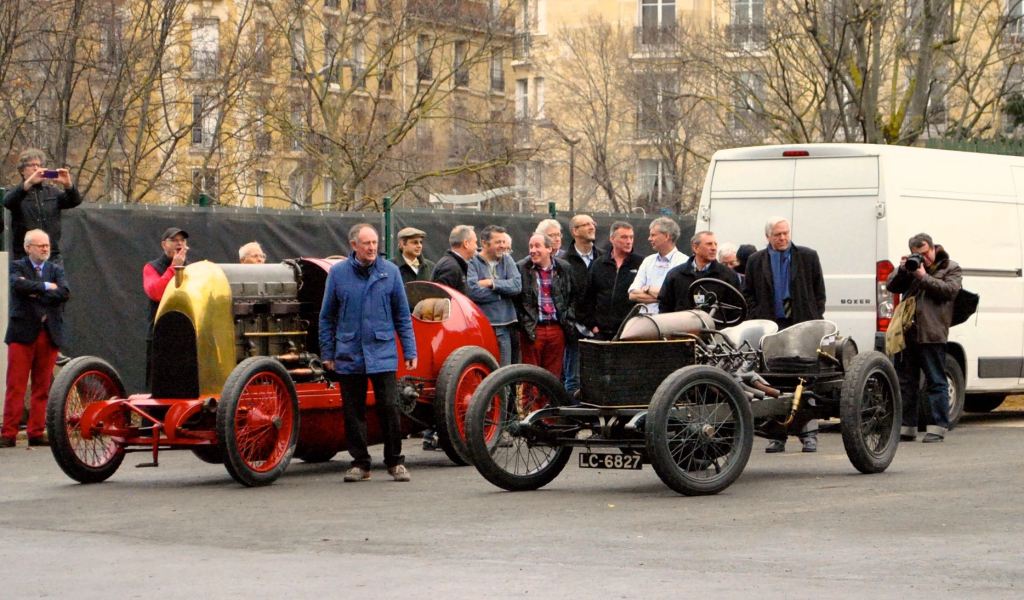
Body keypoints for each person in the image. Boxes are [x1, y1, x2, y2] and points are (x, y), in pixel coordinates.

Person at [319, 223, 417, 482]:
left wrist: (410, 349)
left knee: (389, 407)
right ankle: (360, 464)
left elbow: (402, 315)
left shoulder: (390, 272)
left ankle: (395, 462)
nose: (372, 248)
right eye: (366, 243)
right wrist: (328, 353)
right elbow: (327, 317)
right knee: (353, 411)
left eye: (375, 242)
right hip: (349, 351)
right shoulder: (338, 273)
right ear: (354, 245)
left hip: (382, 351)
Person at [743, 217, 826, 453]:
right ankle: (777, 435)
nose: (783, 238)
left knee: (804, 380)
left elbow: (819, 292)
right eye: (777, 234)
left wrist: (813, 317)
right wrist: (758, 316)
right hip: (771, 329)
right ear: (768, 236)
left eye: (786, 233)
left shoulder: (808, 256)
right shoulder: (756, 261)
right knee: (773, 381)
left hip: (802, 326)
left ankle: (808, 435)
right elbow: (748, 293)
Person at [887, 233, 962, 443]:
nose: (924, 258)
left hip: (932, 333)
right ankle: (907, 427)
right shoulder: (912, 267)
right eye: (918, 254)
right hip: (908, 333)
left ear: (933, 248)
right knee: (906, 382)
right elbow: (892, 286)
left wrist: (923, 276)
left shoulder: (950, 267)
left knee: (936, 381)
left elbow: (949, 291)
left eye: (925, 253)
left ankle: (938, 428)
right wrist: (902, 270)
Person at [1, 230, 70, 448]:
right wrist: (47, 287)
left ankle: (36, 432)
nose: (45, 249)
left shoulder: (56, 269)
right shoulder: (17, 267)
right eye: (40, 245)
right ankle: (8, 433)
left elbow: (64, 292)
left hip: (48, 333)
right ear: (28, 247)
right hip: (22, 334)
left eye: (47, 245)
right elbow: (18, 285)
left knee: (42, 387)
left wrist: (35, 291)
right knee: (16, 385)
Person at [3, 148, 83, 265]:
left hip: (51, 256)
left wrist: (68, 185)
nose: (37, 168)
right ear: (22, 170)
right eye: (32, 165)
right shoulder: (17, 193)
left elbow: (75, 201)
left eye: (39, 165)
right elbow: (7, 202)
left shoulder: (52, 192)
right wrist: (29, 182)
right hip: (25, 256)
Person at [515, 233, 576, 378]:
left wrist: (567, 319)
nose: (532, 250)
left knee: (552, 377)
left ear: (549, 249)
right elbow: (516, 300)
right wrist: (524, 323)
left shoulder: (564, 268)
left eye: (537, 246)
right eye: (530, 246)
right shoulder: (521, 268)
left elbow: (572, 296)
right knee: (530, 377)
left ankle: (549, 396)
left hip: (557, 329)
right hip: (532, 329)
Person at [467, 225, 521, 366]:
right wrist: (502, 295)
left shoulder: (507, 259)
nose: (503, 246)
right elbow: (473, 291)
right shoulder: (473, 262)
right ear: (484, 243)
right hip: (481, 327)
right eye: (498, 242)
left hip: (504, 327)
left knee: (503, 372)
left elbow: (517, 286)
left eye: (503, 242)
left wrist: (492, 283)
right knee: (482, 368)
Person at [142, 227, 189, 386]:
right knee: (159, 383)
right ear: (164, 244)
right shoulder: (151, 267)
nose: (179, 243)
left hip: (186, 334)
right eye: (174, 240)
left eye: (182, 240)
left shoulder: (192, 269)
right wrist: (174, 268)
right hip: (160, 334)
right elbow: (156, 293)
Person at [580, 222, 642, 340]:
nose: (629, 241)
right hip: (602, 333)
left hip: (631, 333)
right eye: (624, 237)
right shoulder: (598, 264)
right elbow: (587, 298)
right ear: (612, 239)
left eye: (631, 237)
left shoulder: (641, 263)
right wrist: (592, 325)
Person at [561, 214, 602, 394]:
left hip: (600, 331)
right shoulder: (564, 262)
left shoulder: (603, 258)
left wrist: (597, 324)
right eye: (586, 224)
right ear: (575, 231)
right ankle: (572, 410)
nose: (592, 227)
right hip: (574, 330)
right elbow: (563, 298)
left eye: (592, 223)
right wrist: (574, 324)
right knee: (574, 379)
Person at [658, 231, 740, 313]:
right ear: (695, 247)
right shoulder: (676, 275)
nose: (714, 248)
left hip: (715, 321)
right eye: (709, 244)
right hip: (682, 321)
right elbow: (664, 307)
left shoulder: (728, 275)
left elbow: (737, 308)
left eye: (715, 244)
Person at [628, 216, 687, 313]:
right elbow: (632, 294)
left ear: (667, 236)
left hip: (670, 320)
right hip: (645, 319)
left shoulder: (684, 262)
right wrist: (665, 298)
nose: (649, 239)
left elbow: (678, 296)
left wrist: (648, 289)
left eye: (653, 235)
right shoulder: (648, 261)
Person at [432, 225, 477, 294]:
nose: (476, 247)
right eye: (475, 242)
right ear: (466, 244)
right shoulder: (450, 267)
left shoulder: (456, 265)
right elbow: (441, 297)